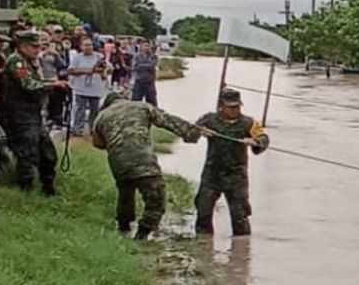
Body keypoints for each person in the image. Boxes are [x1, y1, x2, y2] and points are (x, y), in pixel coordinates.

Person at [92, 90, 210, 239]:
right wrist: (192, 132)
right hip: (144, 161)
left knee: (125, 194)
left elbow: (97, 144)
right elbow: (167, 120)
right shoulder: (142, 107)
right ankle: (142, 235)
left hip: (118, 163)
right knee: (156, 200)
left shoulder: (101, 116)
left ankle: (123, 228)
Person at [0, 30, 69, 194]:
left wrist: (55, 83)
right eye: (33, 46)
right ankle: (26, 190)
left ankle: (48, 187)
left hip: (32, 114)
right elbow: (29, 85)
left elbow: (35, 82)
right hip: (19, 115)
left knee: (47, 153)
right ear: (22, 46)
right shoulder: (17, 62)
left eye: (39, 46)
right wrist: (53, 86)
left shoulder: (28, 61)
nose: (37, 50)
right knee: (27, 153)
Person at [195, 89, 270, 237]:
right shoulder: (209, 119)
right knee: (203, 211)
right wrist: (200, 131)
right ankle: (203, 248)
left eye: (237, 107)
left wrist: (255, 142)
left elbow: (264, 138)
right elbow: (190, 131)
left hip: (236, 176)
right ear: (221, 106)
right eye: (231, 107)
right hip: (212, 174)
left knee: (240, 216)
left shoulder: (249, 123)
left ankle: (241, 251)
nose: (235, 110)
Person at [67, 37, 108, 135]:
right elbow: (71, 71)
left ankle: (93, 129)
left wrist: (102, 71)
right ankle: (78, 129)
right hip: (81, 89)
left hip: (95, 89)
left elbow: (108, 69)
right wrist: (89, 71)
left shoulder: (99, 57)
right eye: (86, 45)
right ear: (81, 47)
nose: (88, 47)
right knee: (80, 110)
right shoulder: (77, 58)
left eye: (90, 45)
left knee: (94, 111)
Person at [131, 41, 159, 106]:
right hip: (139, 81)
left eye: (148, 46)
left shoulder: (154, 56)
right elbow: (135, 67)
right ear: (141, 47)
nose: (146, 47)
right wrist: (147, 65)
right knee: (135, 101)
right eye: (145, 46)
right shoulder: (137, 56)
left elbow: (153, 65)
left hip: (149, 82)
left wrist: (141, 65)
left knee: (152, 102)